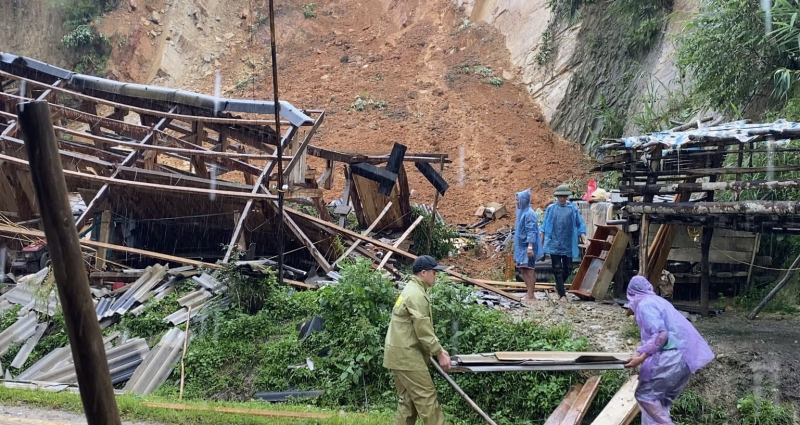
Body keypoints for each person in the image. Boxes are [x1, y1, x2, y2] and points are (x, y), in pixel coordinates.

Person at [624, 276, 714, 425]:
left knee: (645, 396)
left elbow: (661, 334)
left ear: (632, 293)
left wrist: (642, 357)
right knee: (660, 404)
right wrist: (640, 351)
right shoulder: (659, 301)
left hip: (671, 357)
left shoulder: (645, 305)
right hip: (686, 358)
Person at [384, 255, 451, 425]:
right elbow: (423, 329)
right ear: (423, 273)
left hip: (398, 354)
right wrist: (439, 352)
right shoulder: (416, 295)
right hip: (407, 356)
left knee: (408, 402)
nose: (436, 275)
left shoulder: (411, 290)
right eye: (434, 272)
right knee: (427, 399)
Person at [541, 184, 587, 301]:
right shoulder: (551, 209)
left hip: (567, 243)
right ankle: (562, 294)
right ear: (557, 197)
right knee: (557, 268)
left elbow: (580, 224)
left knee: (568, 268)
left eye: (564, 196)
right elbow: (544, 226)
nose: (562, 198)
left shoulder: (572, 209)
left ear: (567, 197)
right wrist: (542, 243)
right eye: (560, 196)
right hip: (554, 243)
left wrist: (584, 238)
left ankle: (558, 287)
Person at [513, 189, 542, 302]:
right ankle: (528, 293)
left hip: (527, 246)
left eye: (517, 200)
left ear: (523, 200)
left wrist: (530, 247)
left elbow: (531, 231)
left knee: (529, 270)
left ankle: (531, 295)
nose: (516, 202)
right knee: (523, 269)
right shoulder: (522, 212)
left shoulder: (529, 214)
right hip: (521, 247)